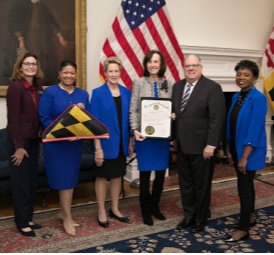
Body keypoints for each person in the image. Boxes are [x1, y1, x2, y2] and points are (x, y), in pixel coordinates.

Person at [172, 54, 226, 233]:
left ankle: (200, 219)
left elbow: (216, 119)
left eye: (194, 65)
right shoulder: (178, 87)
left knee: (201, 185)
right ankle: (189, 216)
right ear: (184, 68)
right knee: (185, 184)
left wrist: (211, 145)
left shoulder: (212, 88)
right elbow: (177, 113)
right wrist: (172, 133)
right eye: (188, 65)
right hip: (182, 145)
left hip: (203, 147)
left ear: (201, 68)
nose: (191, 68)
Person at [39, 60, 89, 236]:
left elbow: (88, 120)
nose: (69, 76)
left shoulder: (83, 94)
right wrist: (63, 134)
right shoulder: (50, 92)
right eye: (65, 72)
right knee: (63, 181)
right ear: (59, 73)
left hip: (75, 145)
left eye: (72, 73)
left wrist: (84, 110)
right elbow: (44, 118)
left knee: (70, 181)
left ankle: (63, 212)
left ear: (76, 75)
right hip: (57, 146)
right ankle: (67, 217)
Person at [223, 60, 267, 242]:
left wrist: (244, 158)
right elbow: (231, 123)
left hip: (249, 151)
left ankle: (243, 229)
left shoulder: (258, 98)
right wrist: (227, 146)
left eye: (246, 75)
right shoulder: (236, 96)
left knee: (244, 188)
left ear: (254, 78)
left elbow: (254, 130)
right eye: (239, 74)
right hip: (236, 148)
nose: (241, 78)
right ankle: (249, 217)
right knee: (246, 185)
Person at [129, 50, 173, 226]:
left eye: (156, 61)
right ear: (146, 64)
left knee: (161, 175)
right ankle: (145, 210)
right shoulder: (138, 82)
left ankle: (155, 206)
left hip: (162, 137)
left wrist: (173, 117)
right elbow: (133, 109)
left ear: (161, 64)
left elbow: (171, 107)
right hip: (144, 137)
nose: (153, 64)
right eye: (150, 61)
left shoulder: (168, 84)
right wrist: (134, 130)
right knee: (145, 175)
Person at [90, 57, 133, 228]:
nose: (113, 74)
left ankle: (115, 209)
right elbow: (94, 123)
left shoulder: (127, 92)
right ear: (105, 73)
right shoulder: (98, 93)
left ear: (120, 73)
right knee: (102, 177)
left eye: (116, 71)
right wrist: (98, 149)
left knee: (117, 176)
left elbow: (129, 120)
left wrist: (130, 141)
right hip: (105, 144)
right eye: (110, 71)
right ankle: (101, 210)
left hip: (122, 143)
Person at [6, 52, 44, 237]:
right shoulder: (15, 87)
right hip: (20, 142)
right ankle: (21, 222)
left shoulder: (38, 88)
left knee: (30, 183)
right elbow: (12, 120)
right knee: (20, 183)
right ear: (20, 67)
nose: (31, 66)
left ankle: (28, 218)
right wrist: (18, 147)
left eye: (34, 64)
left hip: (34, 141)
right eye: (27, 63)